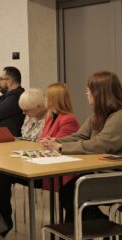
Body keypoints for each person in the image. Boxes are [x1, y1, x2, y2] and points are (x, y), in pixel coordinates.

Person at [41, 71, 122, 223]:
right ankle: (92, 226)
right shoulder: (97, 115)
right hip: (101, 173)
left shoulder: (119, 116)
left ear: (100, 93)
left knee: (72, 193)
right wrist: (56, 141)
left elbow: (101, 144)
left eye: (89, 90)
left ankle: (100, 225)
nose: (86, 93)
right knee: (69, 192)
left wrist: (59, 148)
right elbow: (81, 136)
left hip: (115, 177)